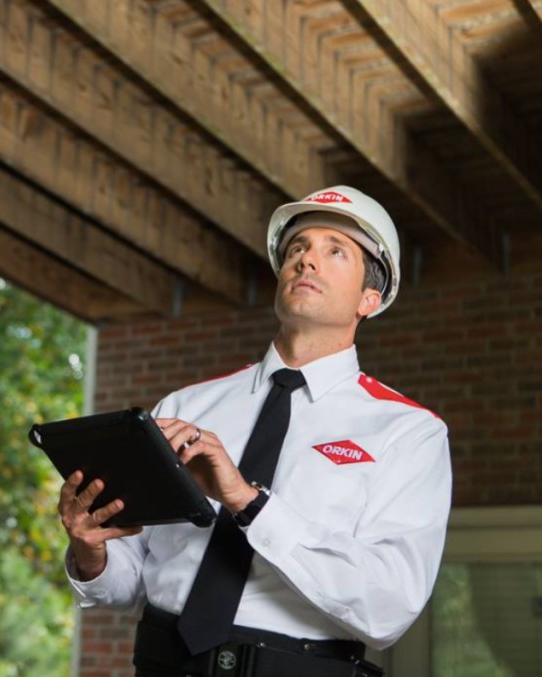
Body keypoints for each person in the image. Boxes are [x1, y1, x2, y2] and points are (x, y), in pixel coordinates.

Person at [58, 186, 451, 677]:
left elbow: (388, 609)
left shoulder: (409, 432)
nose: (307, 261)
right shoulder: (186, 406)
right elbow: (134, 581)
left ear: (370, 298)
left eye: (335, 250)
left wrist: (249, 502)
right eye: (297, 248)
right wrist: (91, 552)